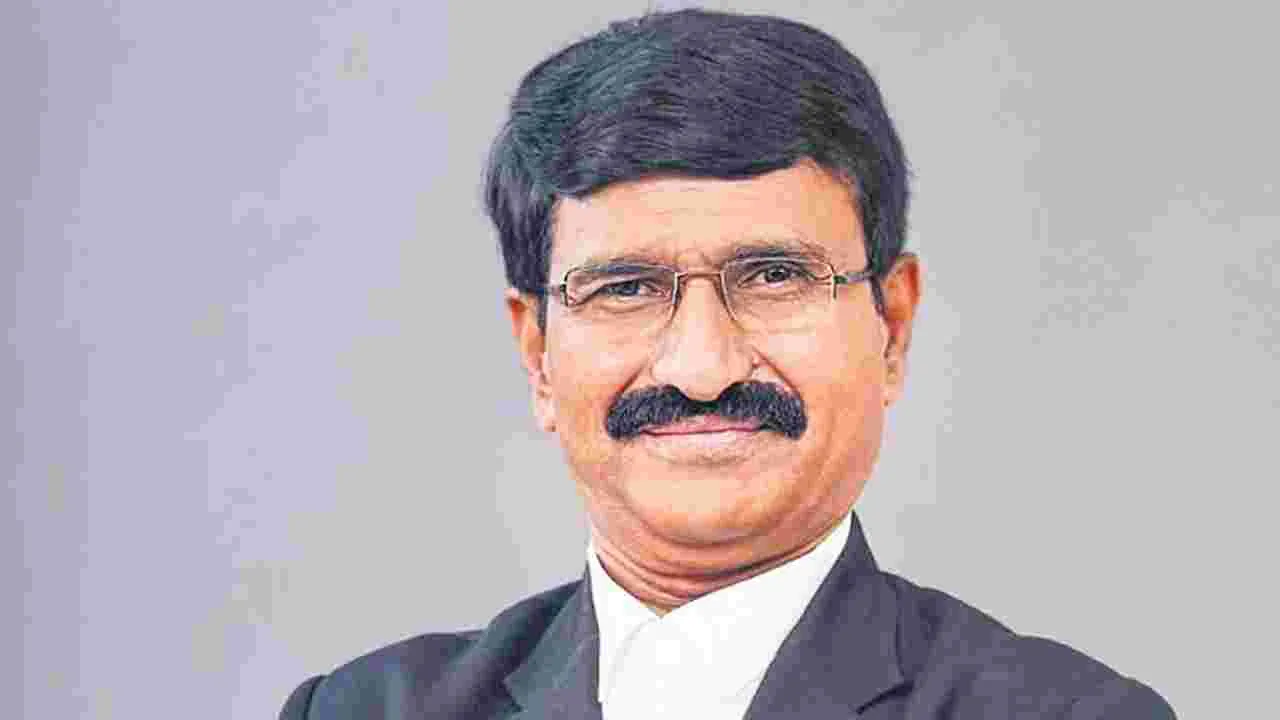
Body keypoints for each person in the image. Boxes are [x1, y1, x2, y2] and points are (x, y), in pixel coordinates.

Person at [279, 8, 1175, 719]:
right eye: (625, 287)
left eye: (775, 276)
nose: (702, 368)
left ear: (892, 327)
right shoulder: (365, 710)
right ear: (538, 354)